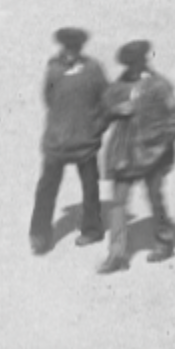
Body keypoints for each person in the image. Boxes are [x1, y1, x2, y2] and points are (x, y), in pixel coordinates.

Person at [98, 39, 175, 271]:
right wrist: (114, 111)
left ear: (144, 61)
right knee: (118, 202)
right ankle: (117, 254)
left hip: (153, 153)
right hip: (125, 154)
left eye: (137, 63)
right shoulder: (118, 87)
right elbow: (102, 114)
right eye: (130, 64)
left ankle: (164, 242)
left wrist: (161, 144)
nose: (133, 68)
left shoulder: (159, 86)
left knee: (155, 197)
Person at [29, 28, 107, 254]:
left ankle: (92, 228)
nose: (71, 53)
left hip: (85, 141)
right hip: (58, 141)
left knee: (90, 186)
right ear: (62, 49)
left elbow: (105, 97)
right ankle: (39, 235)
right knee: (47, 188)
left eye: (75, 49)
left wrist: (95, 126)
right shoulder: (54, 70)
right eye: (67, 49)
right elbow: (49, 98)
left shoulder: (93, 69)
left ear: (80, 49)